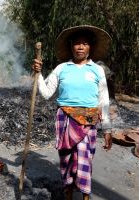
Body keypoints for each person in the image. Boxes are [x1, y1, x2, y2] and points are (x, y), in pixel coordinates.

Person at [32, 25, 112, 200]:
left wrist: (107, 129)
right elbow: (46, 93)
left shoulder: (97, 70)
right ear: (71, 46)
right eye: (77, 43)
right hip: (65, 121)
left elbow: (103, 100)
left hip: (89, 121)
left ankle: (85, 197)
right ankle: (68, 194)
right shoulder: (62, 68)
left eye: (84, 43)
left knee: (84, 161)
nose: (80, 47)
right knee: (66, 161)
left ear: (90, 47)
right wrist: (38, 75)